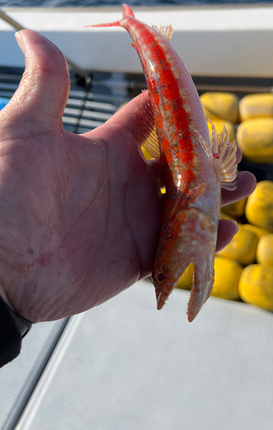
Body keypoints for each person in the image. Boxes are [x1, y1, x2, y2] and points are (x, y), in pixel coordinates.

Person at [0, 31, 256, 367]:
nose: (165, 284)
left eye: (162, 276)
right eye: (161, 278)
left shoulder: (193, 202)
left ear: (183, 229)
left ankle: (140, 30)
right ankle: (138, 29)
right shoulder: (193, 202)